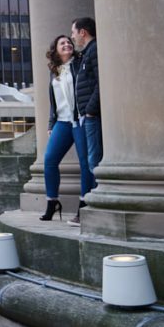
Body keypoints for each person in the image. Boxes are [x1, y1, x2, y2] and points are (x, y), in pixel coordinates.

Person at [40, 35, 92, 221]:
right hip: (62, 122)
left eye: (69, 42)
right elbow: (54, 101)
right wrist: (50, 123)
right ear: (55, 50)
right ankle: (52, 202)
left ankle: (83, 205)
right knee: (50, 160)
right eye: (62, 43)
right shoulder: (55, 71)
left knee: (85, 163)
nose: (67, 44)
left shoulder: (79, 64)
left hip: (79, 120)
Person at [70, 16, 101, 226]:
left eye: (73, 32)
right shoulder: (86, 54)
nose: (72, 36)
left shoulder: (94, 50)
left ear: (83, 32)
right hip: (85, 117)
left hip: (91, 116)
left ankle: (98, 206)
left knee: (94, 161)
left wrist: (90, 110)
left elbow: (101, 81)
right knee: (91, 160)